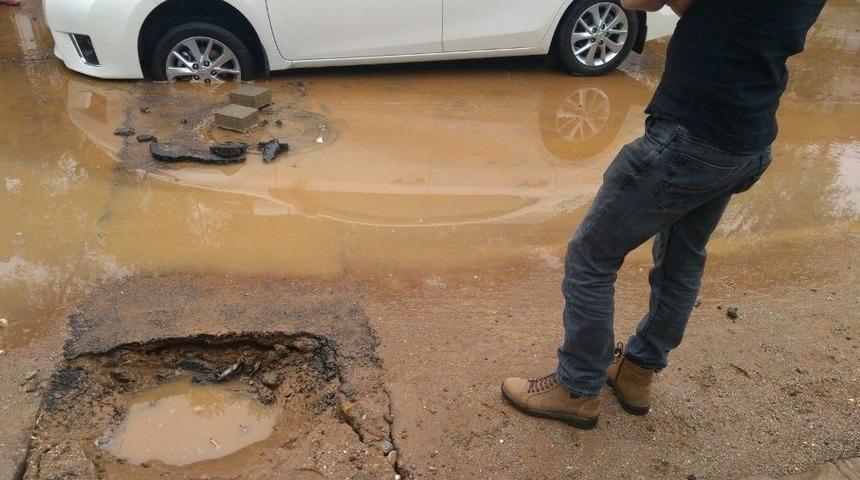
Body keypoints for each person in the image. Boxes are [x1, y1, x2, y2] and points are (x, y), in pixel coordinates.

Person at [502, 0, 826, 429]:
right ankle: (636, 373)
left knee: (591, 255)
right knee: (683, 256)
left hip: (691, 136)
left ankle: (577, 389)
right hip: (747, 136)